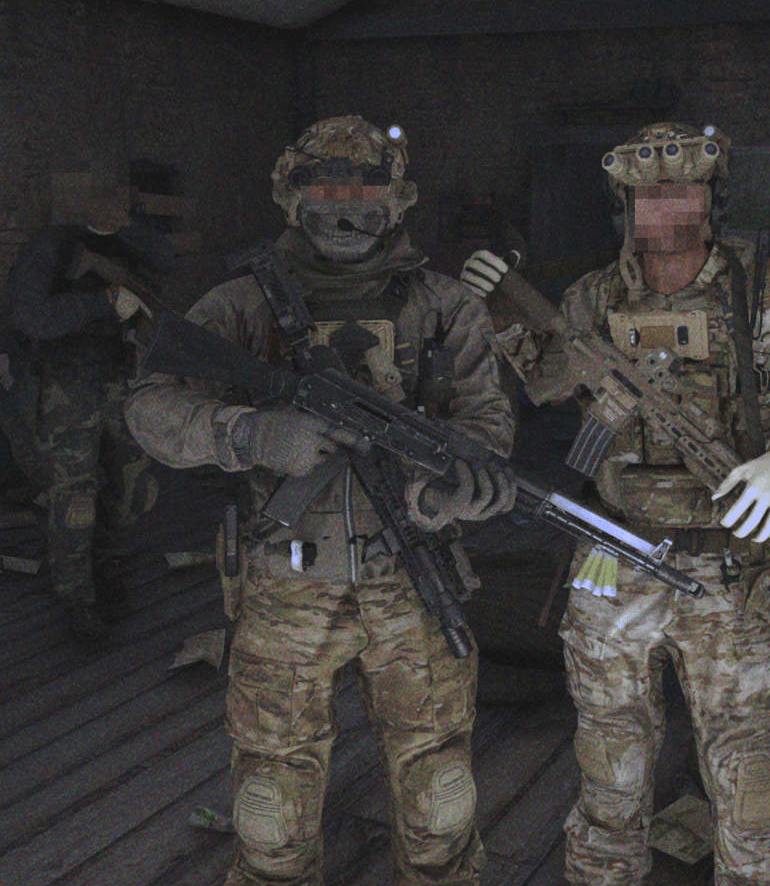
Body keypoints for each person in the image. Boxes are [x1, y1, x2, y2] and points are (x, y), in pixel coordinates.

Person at [124, 116, 515, 886]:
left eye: (364, 191)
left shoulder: (444, 305)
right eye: (323, 190)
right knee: (271, 804)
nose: (343, 210)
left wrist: (455, 488)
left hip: (413, 579)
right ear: (289, 196)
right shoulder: (240, 304)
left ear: (397, 199)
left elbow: (485, 424)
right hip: (285, 584)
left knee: (439, 794)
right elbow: (149, 408)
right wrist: (249, 433)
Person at [460, 121, 770, 886]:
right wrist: (500, 309)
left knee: (746, 782)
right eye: (647, 198)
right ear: (624, 208)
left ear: (711, 203)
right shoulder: (592, 297)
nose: (665, 209)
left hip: (724, 574)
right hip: (609, 558)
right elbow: (546, 377)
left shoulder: (759, 300)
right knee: (608, 762)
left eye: (683, 193)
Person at [7, 180, 170, 648]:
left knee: (131, 486)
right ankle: (76, 596)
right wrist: (102, 303)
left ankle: (107, 568)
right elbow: (30, 317)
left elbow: (163, 257)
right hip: (65, 388)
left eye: (118, 200)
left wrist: (128, 227)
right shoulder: (51, 247)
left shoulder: (126, 238)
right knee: (74, 497)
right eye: (101, 200)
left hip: (120, 378)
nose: (110, 207)